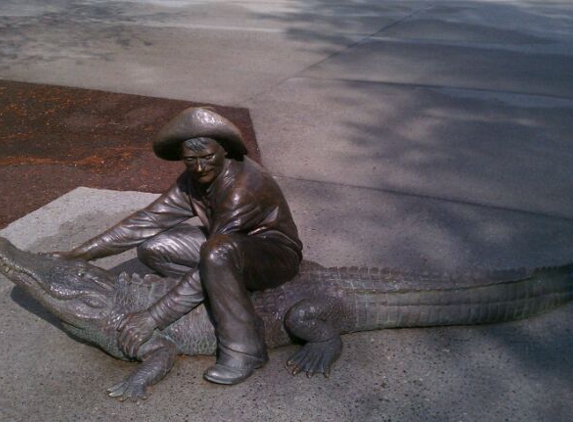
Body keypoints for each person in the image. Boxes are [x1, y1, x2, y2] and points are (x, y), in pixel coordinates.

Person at [57, 107, 302, 385]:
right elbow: (146, 221)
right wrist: (79, 254)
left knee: (217, 254)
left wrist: (152, 317)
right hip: (227, 244)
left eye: (207, 157)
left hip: (274, 255)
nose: (199, 168)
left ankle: (246, 351)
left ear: (225, 151)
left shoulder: (244, 187)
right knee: (154, 246)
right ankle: (214, 291)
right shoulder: (194, 179)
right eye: (190, 160)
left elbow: (217, 254)